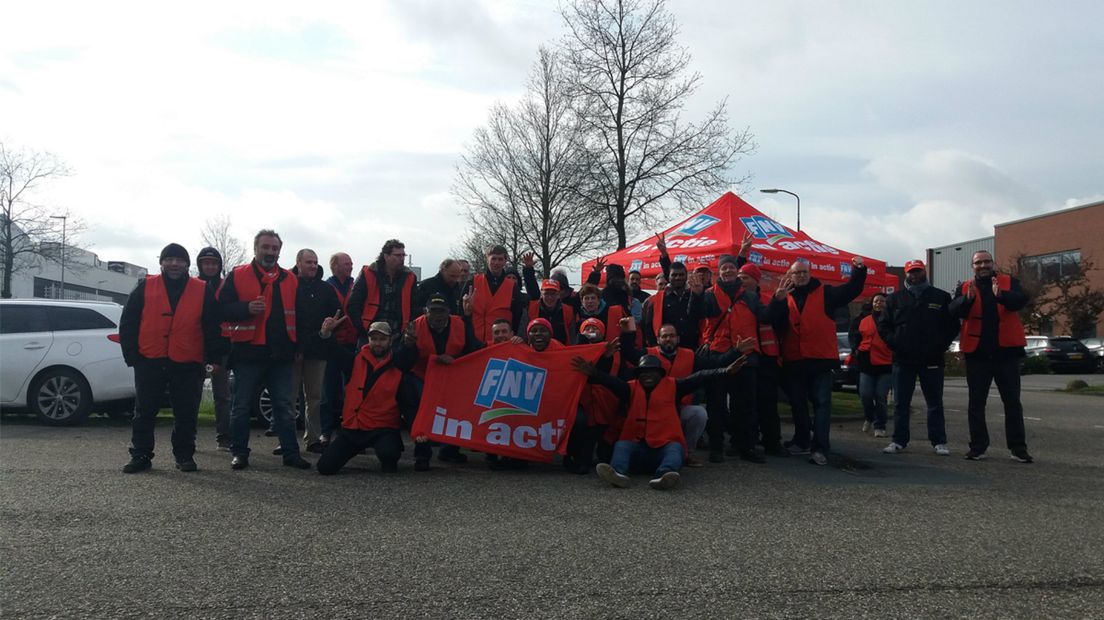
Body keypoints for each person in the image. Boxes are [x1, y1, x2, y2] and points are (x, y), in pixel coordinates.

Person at [119, 243, 223, 473]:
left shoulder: (202, 289)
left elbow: (213, 327)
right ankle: (141, 454)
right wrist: (132, 356)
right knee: (144, 412)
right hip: (149, 359)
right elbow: (128, 323)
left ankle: (184, 455)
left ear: (187, 264)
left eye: (179, 260)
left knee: (186, 413)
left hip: (187, 361)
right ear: (162, 263)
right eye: (169, 259)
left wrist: (214, 359)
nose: (174, 264)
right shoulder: (145, 286)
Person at [574, 354, 748, 490]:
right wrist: (595, 373)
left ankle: (665, 475)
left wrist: (724, 371)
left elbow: (700, 377)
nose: (648, 375)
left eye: (653, 372)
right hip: (638, 449)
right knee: (622, 445)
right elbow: (610, 382)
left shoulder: (675, 386)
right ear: (638, 375)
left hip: (663, 448)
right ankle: (618, 473)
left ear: (660, 374)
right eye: (643, 372)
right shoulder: (629, 388)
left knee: (676, 448)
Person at [218, 229, 311, 471]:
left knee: (284, 406)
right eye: (266, 247)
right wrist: (246, 308)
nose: (270, 252)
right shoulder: (237, 275)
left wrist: (299, 347)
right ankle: (239, 453)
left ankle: (290, 454)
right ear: (256, 248)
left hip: (281, 354)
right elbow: (222, 309)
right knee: (240, 407)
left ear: (280, 250)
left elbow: (300, 316)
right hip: (247, 353)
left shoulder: (290, 279)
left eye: (274, 248)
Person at [771, 256, 867, 466]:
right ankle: (802, 440)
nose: (801, 275)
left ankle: (820, 447)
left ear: (810, 273)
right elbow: (775, 322)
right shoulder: (783, 296)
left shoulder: (827, 293)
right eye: (797, 272)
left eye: (805, 272)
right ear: (790, 276)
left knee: (822, 404)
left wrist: (858, 270)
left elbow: (852, 289)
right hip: (794, 360)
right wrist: (777, 301)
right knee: (798, 404)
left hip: (820, 360)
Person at [618, 320, 745, 468]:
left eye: (672, 336)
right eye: (664, 336)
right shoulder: (647, 355)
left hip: (677, 409)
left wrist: (735, 351)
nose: (668, 339)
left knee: (699, 413)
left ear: (678, 338)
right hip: (650, 410)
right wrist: (627, 333)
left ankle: (688, 453)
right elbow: (627, 351)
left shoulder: (690, 356)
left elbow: (714, 364)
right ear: (658, 339)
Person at [949, 250, 1033, 463]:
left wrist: (1001, 296)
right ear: (973, 266)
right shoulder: (965, 287)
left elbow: (1021, 300)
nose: (983, 265)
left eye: (986, 261)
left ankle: (1018, 449)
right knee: (976, 403)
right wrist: (966, 301)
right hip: (977, 354)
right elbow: (953, 310)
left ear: (993, 263)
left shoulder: (1008, 282)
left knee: (1012, 402)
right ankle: (978, 447)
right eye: (978, 263)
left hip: (1007, 354)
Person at [698, 254, 774, 464]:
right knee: (716, 404)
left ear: (736, 271)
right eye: (724, 268)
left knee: (746, 405)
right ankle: (716, 447)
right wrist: (695, 295)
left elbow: (765, 316)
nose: (728, 271)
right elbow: (699, 313)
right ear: (718, 272)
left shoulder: (750, 297)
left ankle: (745, 446)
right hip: (718, 355)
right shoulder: (708, 294)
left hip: (746, 356)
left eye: (731, 267)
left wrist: (778, 301)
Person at [877, 260, 959, 456]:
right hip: (903, 359)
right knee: (900, 403)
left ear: (924, 272)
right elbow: (883, 326)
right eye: (911, 272)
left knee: (935, 402)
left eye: (918, 271)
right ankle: (898, 441)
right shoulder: (894, 299)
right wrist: (895, 343)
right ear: (906, 274)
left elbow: (952, 326)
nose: (914, 275)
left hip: (931, 359)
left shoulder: (941, 297)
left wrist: (939, 346)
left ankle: (939, 441)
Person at [316, 320, 415, 475]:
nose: (377, 343)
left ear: (390, 341)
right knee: (324, 467)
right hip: (353, 429)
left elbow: (408, 403)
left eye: (382, 339)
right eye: (374, 339)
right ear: (368, 340)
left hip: (382, 428)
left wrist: (417, 429)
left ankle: (391, 452)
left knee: (389, 457)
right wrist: (326, 333)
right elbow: (334, 351)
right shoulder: (353, 361)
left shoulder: (398, 365)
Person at [401, 294, 484, 470]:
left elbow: (473, 350)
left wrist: (454, 358)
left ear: (449, 312)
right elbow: (403, 363)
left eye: (442, 311)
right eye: (433, 311)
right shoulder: (414, 327)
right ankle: (422, 454)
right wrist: (407, 346)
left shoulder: (461, 324)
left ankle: (449, 450)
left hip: (451, 377)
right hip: (421, 376)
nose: (437, 316)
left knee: (456, 408)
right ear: (425, 312)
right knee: (420, 407)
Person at [732, 260, 787, 457]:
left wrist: (778, 302)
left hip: (767, 359)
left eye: (745, 278)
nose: (741, 281)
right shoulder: (735, 299)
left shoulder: (768, 299)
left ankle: (772, 442)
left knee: (768, 403)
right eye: (739, 278)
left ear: (755, 280)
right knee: (744, 403)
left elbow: (777, 322)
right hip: (745, 356)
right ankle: (745, 441)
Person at [288, 249, 340, 454]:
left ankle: (313, 440)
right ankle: (286, 440)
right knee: (289, 398)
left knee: (315, 397)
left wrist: (332, 322)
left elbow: (336, 312)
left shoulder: (325, 289)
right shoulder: (287, 285)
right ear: (298, 263)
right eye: (309, 262)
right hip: (292, 350)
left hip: (318, 350)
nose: (313, 266)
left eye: (315, 262)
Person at [196, 246, 233, 451]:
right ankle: (189, 436)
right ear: (200, 264)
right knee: (192, 393)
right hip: (196, 345)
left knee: (222, 394)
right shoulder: (192, 285)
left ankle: (224, 437)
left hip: (222, 346)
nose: (210, 266)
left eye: (214, 263)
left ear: (219, 265)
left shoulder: (226, 286)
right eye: (206, 263)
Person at [347, 239, 417, 343]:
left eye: (403, 255)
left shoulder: (410, 277)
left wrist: (407, 331)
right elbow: (353, 304)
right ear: (386, 256)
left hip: (398, 335)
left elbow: (414, 306)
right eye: (398, 255)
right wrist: (362, 329)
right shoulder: (368, 273)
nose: (402, 259)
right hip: (370, 334)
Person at [321, 251, 358, 445]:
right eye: (346, 264)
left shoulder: (356, 286)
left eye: (351, 264)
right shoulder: (326, 287)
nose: (350, 267)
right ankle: (325, 432)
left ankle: (349, 430)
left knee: (351, 390)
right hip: (331, 346)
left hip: (352, 344)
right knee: (328, 391)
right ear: (334, 266)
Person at [851, 295, 892, 439]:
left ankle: (880, 425)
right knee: (865, 395)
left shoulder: (892, 320)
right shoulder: (863, 320)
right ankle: (870, 417)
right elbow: (855, 337)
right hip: (866, 361)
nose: (879, 303)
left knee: (880, 395)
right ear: (872, 303)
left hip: (886, 362)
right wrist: (855, 349)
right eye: (876, 301)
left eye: (882, 301)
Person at [469, 245, 524, 341]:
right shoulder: (473, 282)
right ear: (487, 259)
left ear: (505, 261)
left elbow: (517, 316)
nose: (496, 263)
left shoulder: (512, 287)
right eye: (493, 259)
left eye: (500, 259)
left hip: (501, 343)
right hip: (474, 342)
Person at [520, 252, 575, 345]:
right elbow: (522, 334)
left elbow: (573, 338)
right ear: (541, 294)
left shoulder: (568, 311)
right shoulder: (531, 308)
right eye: (546, 294)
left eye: (553, 294)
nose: (550, 297)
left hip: (560, 353)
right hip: (536, 353)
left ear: (558, 295)